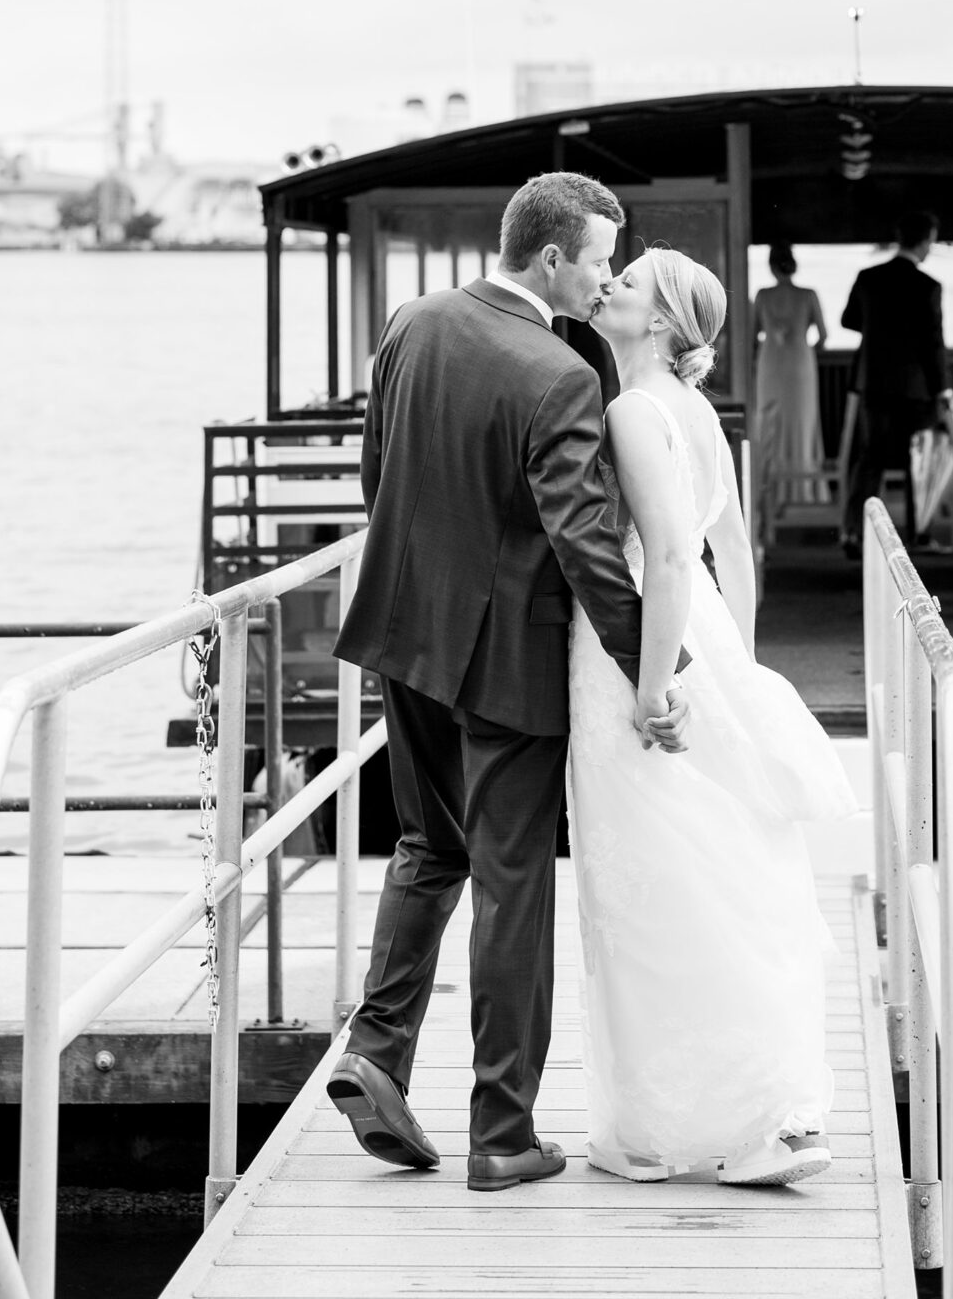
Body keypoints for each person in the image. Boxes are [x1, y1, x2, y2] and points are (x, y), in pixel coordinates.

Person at [328, 172, 688, 1194]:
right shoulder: (559, 372)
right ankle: (502, 1132)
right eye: (596, 259)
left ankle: (375, 1049)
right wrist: (652, 672)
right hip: (507, 662)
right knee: (512, 885)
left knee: (424, 844)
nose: (603, 277)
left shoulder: (413, 323)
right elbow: (582, 544)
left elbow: (378, 472)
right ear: (548, 259)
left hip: (403, 631)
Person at [569, 245, 856, 1186]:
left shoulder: (631, 409)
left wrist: (654, 686)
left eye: (629, 282)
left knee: (655, 872)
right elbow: (734, 549)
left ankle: (693, 1121)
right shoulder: (701, 412)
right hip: (712, 640)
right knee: (722, 862)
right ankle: (749, 1113)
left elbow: (667, 557)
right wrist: (742, 663)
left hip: (647, 648)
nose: (607, 284)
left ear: (657, 323)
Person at [838, 209, 953, 557]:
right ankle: (919, 535)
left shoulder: (869, 277)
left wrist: (879, 331)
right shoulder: (928, 286)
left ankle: (855, 535)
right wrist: (944, 389)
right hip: (916, 386)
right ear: (924, 241)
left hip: (873, 381)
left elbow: (849, 320)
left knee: (869, 459)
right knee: (918, 461)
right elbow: (934, 342)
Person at [750, 244, 827, 495]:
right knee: (803, 422)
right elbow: (823, 337)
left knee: (770, 420)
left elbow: (751, 337)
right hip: (800, 364)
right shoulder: (808, 295)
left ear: (771, 266)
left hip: (770, 363)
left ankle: (771, 491)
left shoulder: (762, 295)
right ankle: (805, 489)